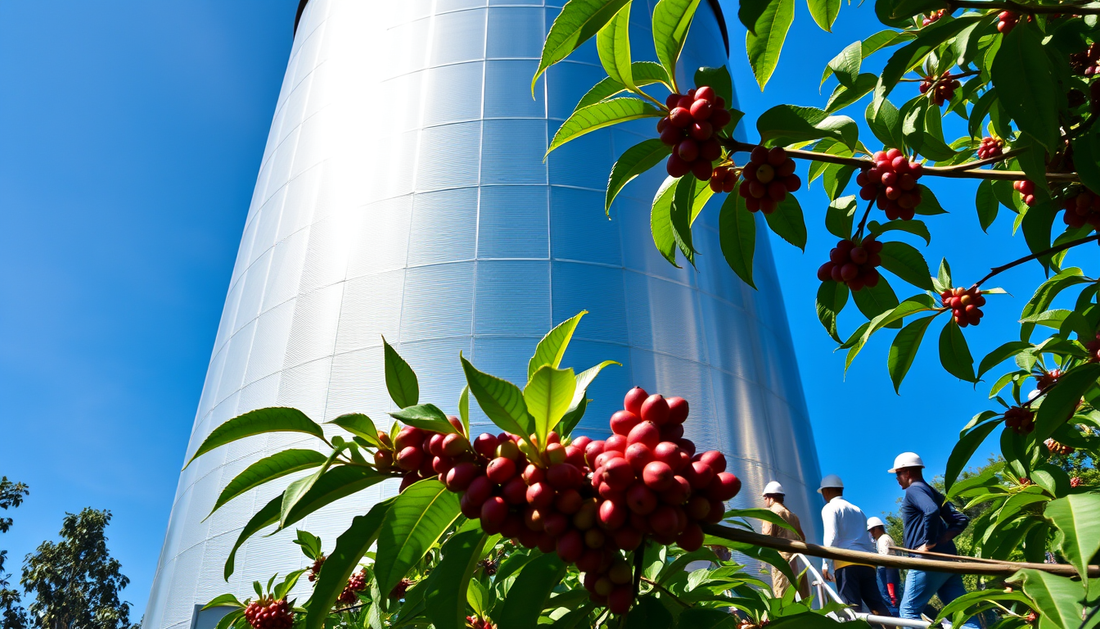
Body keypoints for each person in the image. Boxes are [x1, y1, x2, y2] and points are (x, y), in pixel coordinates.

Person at [889, 452, 979, 629]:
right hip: (949, 562)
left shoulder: (913, 490)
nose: (897, 479)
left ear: (907, 472)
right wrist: (942, 539)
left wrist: (929, 543)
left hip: (927, 562)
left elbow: (930, 511)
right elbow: (960, 519)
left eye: (898, 474)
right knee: (962, 612)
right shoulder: (932, 492)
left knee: (908, 613)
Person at [818, 475, 893, 616]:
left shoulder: (829, 508)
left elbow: (832, 536)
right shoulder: (858, 510)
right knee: (877, 605)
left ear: (826, 491)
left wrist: (825, 563)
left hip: (846, 563)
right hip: (867, 563)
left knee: (852, 608)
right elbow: (868, 540)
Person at [760, 481, 810, 600]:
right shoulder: (793, 516)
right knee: (800, 599)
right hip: (797, 563)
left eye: (764, 498)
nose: (764, 501)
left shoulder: (771, 513)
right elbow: (802, 538)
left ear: (769, 497)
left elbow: (766, 538)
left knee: (783, 598)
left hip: (782, 562)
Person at [866, 517, 901, 616]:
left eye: (872, 530)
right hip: (887, 568)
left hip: (887, 569)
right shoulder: (881, 539)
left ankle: (895, 619)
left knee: (890, 597)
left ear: (877, 529)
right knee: (888, 596)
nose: (871, 534)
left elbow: (885, 557)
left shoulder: (883, 539)